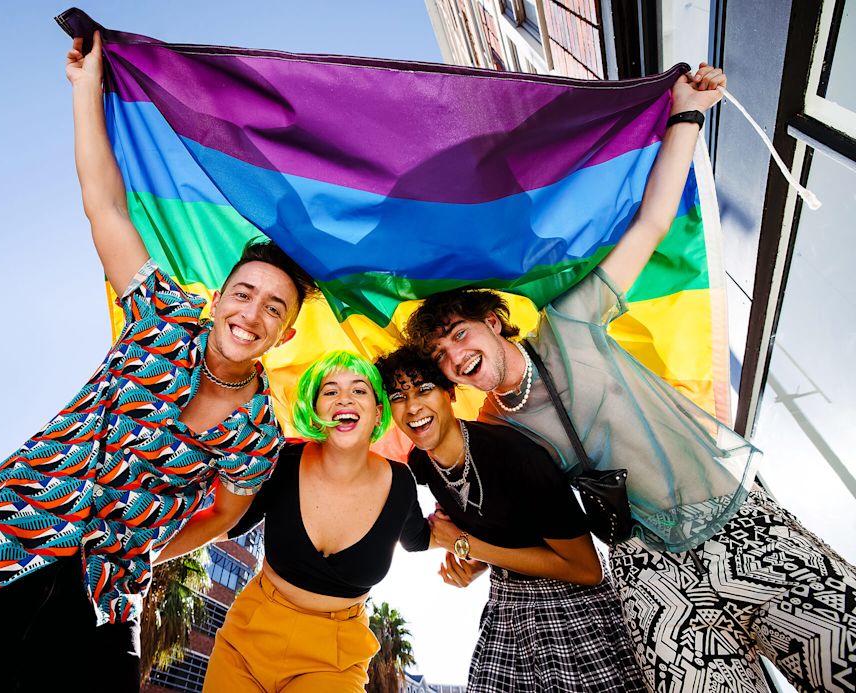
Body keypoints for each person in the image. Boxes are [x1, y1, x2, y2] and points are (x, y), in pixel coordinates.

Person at [0, 32, 318, 693]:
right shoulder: (161, 316)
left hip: (98, 602)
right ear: (218, 300)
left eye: (273, 309)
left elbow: (224, 516)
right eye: (244, 293)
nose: (251, 314)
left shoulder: (258, 433)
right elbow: (104, 203)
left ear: (284, 336)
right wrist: (85, 88)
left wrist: (143, 548)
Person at [405, 64, 856, 692]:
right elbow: (518, 522)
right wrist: (466, 556)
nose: (455, 355)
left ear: (494, 322)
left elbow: (651, 223)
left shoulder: (571, 322)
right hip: (649, 575)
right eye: (442, 358)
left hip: (737, 520)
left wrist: (687, 115)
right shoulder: (494, 430)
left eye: (459, 334)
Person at [375, 346, 646, 692]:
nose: (412, 407)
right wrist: (474, 563)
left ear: (450, 393)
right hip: (505, 605)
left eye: (424, 389)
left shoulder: (514, 458)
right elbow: (428, 535)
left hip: (574, 611)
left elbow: (587, 570)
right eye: (398, 397)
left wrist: (464, 544)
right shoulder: (421, 466)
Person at [185, 350, 433, 692]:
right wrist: (136, 552)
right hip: (249, 639)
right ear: (316, 413)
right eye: (330, 391)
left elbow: (421, 538)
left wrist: (472, 550)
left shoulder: (401, 483)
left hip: (334, 658)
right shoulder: (284, 462)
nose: (344, 398)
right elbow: (227, 523)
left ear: (378, 414)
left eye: (359, 390)